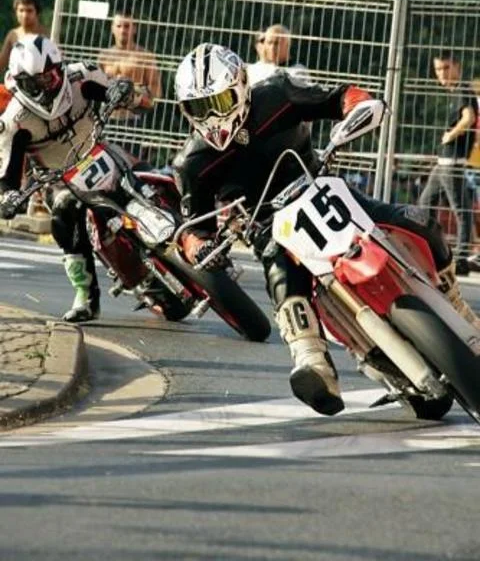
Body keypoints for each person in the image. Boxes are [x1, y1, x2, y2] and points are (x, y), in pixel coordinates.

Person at [173, 43, 480, 417]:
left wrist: (359, 107)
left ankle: (456, 304)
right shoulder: (192, 163)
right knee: (280, 270)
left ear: (239, 86)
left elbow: (338, 97)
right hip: (267, 224)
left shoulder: (277, 93)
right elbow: (192, 228)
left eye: (218, 102)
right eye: (198, 108)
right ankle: (310, 358)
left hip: (322, 186)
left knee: (417, 221)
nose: (210, 116)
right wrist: (200, 247)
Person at [0, 34, 152, 322]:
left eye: (48, 78)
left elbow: (136, 99)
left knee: (147, 173)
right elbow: (7, 172)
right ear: (18, 83)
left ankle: (185, 227)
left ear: (60, 69)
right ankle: (85, 295)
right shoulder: (13, 120)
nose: (43, 89)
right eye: (33, 83)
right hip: (58, 178)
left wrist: (127, 93)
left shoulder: (81, 76)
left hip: (98, 149)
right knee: (62, 217)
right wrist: (8, 196)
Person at [418, 52, 478, 276]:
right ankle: (430, 251)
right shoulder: (456, 91)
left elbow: (469, 118)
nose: (441, 74)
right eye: (438, 70)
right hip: (444, 163)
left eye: (445, 68)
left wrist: (450, 135)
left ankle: (460, 260)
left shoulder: (462, 89)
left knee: (461, 211)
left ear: (457, 67)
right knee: (426, 202)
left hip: (451, 163)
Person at [98, 12, 162, 160]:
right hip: (107, 118)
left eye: (127, 26)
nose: (123, 30)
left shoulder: (145, 57)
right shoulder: (104, 56)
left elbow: (157, 91)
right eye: (119, 26)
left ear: (134, 29)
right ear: (112, 28)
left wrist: (134, 94)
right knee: (104, 161)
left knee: (130, 164)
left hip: (132, 120)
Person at [0, 0, 49, 113]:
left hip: (39, 92)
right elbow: (1, 63)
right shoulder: (13, 35)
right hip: (15, 89)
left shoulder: (46, 36)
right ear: (16, 12)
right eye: (21, 10)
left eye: (29, 10)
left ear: (37, 13)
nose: (25, 15)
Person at [246, 24, 311, 86]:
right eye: (269, 43)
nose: (272, 48)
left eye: (277, 43)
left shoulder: (298, 71)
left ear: (288, 44)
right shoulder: (257, 70)